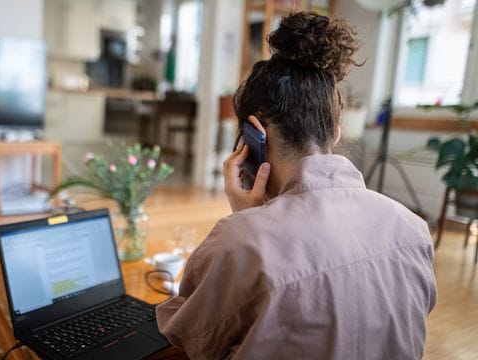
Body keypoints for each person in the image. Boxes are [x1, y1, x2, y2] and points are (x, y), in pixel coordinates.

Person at [156, 11, 437, 359]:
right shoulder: (413, 230)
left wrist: (246, 222)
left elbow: (187, 333)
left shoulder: (239, 244)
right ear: (335, 130)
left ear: (254, 133)